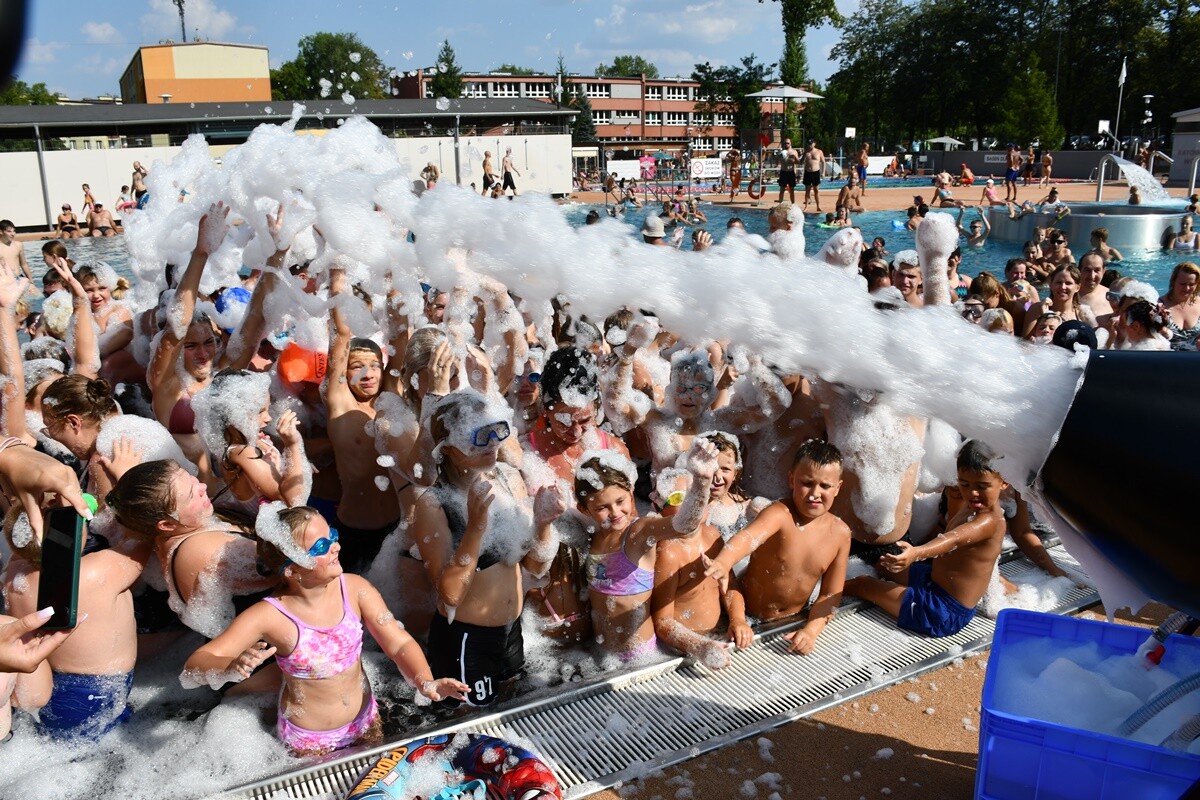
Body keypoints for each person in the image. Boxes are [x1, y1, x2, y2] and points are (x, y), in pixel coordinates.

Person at [182, 505, 468, 755]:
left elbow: (397, 641)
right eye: (320, 546)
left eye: (332, 535)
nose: (335, 546)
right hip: (309, 740)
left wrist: (425, 681)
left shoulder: (355, 589)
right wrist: (229, 667)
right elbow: (196, 663)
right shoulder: (271, 615)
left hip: (366, 720)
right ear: (292, 571)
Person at [414, 390, 562, 706]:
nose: (494, 442)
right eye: (480, 435)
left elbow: (535, 567)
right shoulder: (433, 504)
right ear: (449, 447)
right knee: (470, 725)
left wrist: (543, 523)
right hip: (466, 638)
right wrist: (475, 529)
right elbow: (449, 595)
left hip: (511, 632)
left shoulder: (508, 480)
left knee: (512, 712)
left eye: (496, 431)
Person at [3, 435, 152, 741]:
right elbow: (141, 536)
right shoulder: (98, 571)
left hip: (55, 693)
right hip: (98, 696)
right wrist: (125, 477)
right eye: (73, 518)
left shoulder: (14, 573)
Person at [844, 440, 1008, 637]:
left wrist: (916, 553)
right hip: (932, 580)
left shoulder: (989, 521)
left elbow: (953, 539)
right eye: (964, 484)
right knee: (882, 566)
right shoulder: (973, 505)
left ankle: (818, 598)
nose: (972, 493)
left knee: (864, 584)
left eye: (982, 486)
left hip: (942, 611)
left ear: (1004, 482)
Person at [704, 439, 850, 655]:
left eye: (825, 486)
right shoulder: (779, 514)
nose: (815, 493)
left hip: (794, 617)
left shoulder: (840, 533)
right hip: (745, 609)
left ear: (838, 488)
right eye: (807, 483)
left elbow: (830, 594)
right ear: (791, 479)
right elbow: (747, 538)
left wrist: (810, 631)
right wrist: (724, 562)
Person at [575, 440, 717, 660]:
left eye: (620, 501)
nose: (615, 512)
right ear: (584, 509)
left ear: (631, 494)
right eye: (602, 507)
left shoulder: (637, 533)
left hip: (638, 654)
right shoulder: (593, 537)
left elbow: (683, 524)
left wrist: (701, 482)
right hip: (602, 653)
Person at [1160, 261, 1200, 350]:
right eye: (1182, 284)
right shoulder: (1159, 306)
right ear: (1173, 282)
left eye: (1191, 284)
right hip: (1167, 358)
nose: (1187, 288)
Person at [1076, 253, 1115, 329]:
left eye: (1097, 270)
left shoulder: (1111, 295)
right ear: (1079, 270)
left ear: (1103, 272)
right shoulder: (1069, 295)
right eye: (1087, 270)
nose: (1092, 276)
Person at [798, 140, 822, 209]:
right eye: (809, 144)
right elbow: (801, 162)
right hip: (808, 172)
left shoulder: (819, 151)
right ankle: (806, 206)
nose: (810, 145)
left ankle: (818, 206)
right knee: (807, 190)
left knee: (816, 190)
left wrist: (823, 172)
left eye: (811, 144)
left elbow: (823, 162)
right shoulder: (806, 152)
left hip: (816, 172)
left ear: (814, 144)